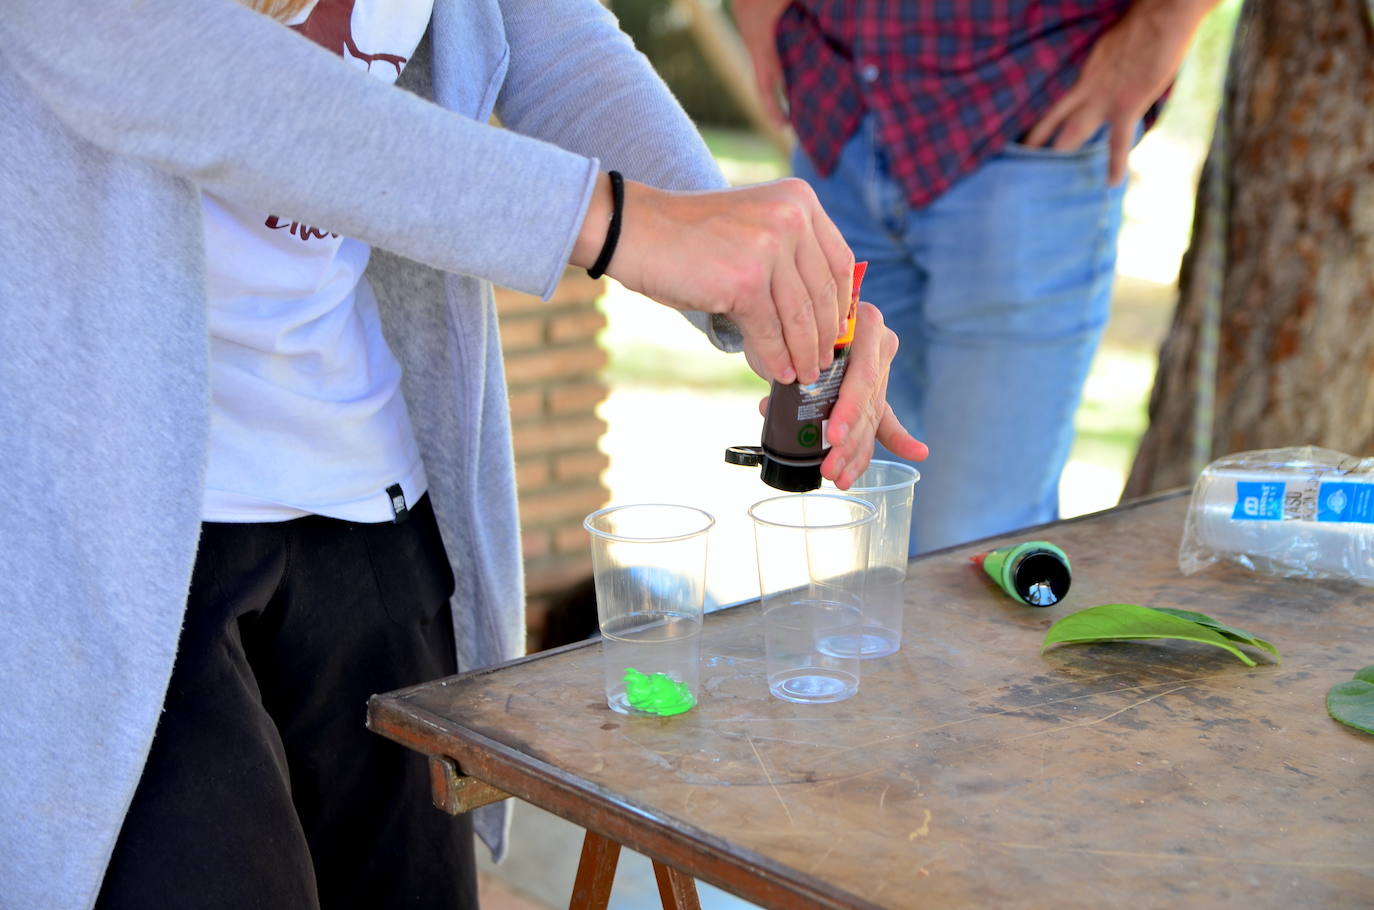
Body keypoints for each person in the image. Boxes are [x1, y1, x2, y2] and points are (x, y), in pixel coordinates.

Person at [0, 1, 928, 908]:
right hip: (101, 514)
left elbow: (554, 43)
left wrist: (773, 287)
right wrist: (613, 221)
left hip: (363, 491)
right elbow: (123, 40)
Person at [733, 0, 1219, 555]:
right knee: (876, 525)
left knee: (976, 544)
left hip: (1023, 119)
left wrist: (1167, 21)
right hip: (836, 110)